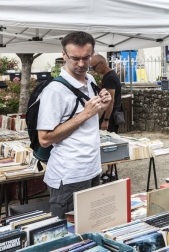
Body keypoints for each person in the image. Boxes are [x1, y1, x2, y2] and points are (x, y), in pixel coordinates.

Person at [37, 32, 112, 218]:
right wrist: (85, 113)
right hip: (69, 175)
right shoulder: (54, 91)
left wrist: (102, 108)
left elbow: (91, 120)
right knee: (68, 235)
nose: (81, 64)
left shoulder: (91, 81)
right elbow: (44, 139)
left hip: (93, 168)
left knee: (90, 228)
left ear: (92, 54)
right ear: (64, 55)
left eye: (86, 58)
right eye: (75, 58)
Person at [90, 55, 122, 133]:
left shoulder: (110, 78)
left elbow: (110, 100)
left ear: (102, 64)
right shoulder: (110, 75)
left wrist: (106, 120)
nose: (94, 70)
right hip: (111, 114)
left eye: (94, 67)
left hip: (110, 116)